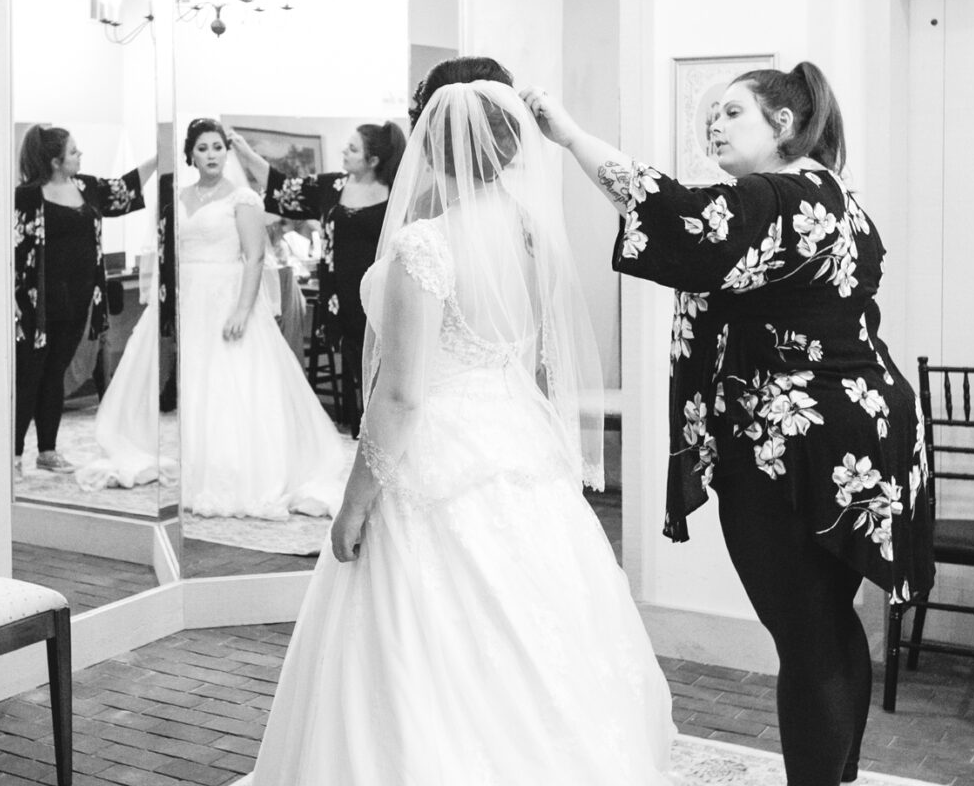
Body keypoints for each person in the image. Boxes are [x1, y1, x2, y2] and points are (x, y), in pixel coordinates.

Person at [247, 58, 675, 785]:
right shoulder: (533, 234)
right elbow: (534, 361)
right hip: (516, 443)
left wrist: (351, 506)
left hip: (436, 454)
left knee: (423, 643)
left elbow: (403, 395)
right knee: (532, 636)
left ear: (429, 142)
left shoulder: (427, 245)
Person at [524, 61, 934, 786]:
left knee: (806, 636)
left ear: (783, 125)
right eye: (709, 114)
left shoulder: (772, 196)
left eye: (733, 112)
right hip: (863, 429)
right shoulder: (838, 198)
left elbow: (673, 213)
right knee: (830, 628)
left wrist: (571, 136)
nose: (713, 124)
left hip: (795, 439)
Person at [77, 119, 348, 518]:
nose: (211, 155)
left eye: (218, 147)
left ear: (227, 150)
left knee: (233, 384)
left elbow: (254, 256)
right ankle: (200, 466)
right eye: (203, 148)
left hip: (228, 297)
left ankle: (239, 468)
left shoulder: (243, 199)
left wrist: (242, 308)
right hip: (192, 300)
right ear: (191, 154)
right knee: (199, 385)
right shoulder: (179, 196)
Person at [231, 122, 407, 433]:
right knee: (358, 372)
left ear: (373, 160)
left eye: (353, 149)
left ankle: (385, 436)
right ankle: (367, 435)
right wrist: (245, 153)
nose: (345, 151)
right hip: (341, 301)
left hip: (381, 299)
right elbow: (282, 187)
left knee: (388, 376)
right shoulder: (331, 187)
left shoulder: (397, 196)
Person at [13, 125, 152, 475]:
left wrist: (158, 158)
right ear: (56, 160)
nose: (80, 156)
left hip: (77, 301)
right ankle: (12, 455)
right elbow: (12, 248)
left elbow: (123, 189)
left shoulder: (86, 187)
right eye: (74, 152)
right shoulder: (27, 197)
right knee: (30, 375)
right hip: (36, 305)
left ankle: (47, 450)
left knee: (55, 373)